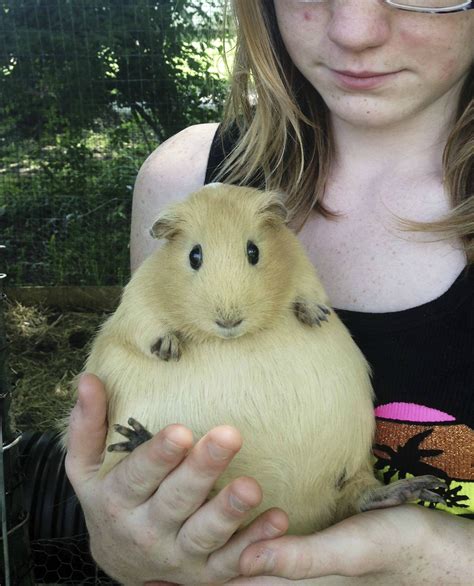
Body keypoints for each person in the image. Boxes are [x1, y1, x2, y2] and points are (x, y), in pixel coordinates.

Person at [65, 0, 474, 583]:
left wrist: (433, 556)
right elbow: (132, 401)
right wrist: (123, 547)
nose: (354, 31)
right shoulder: (185, 181)